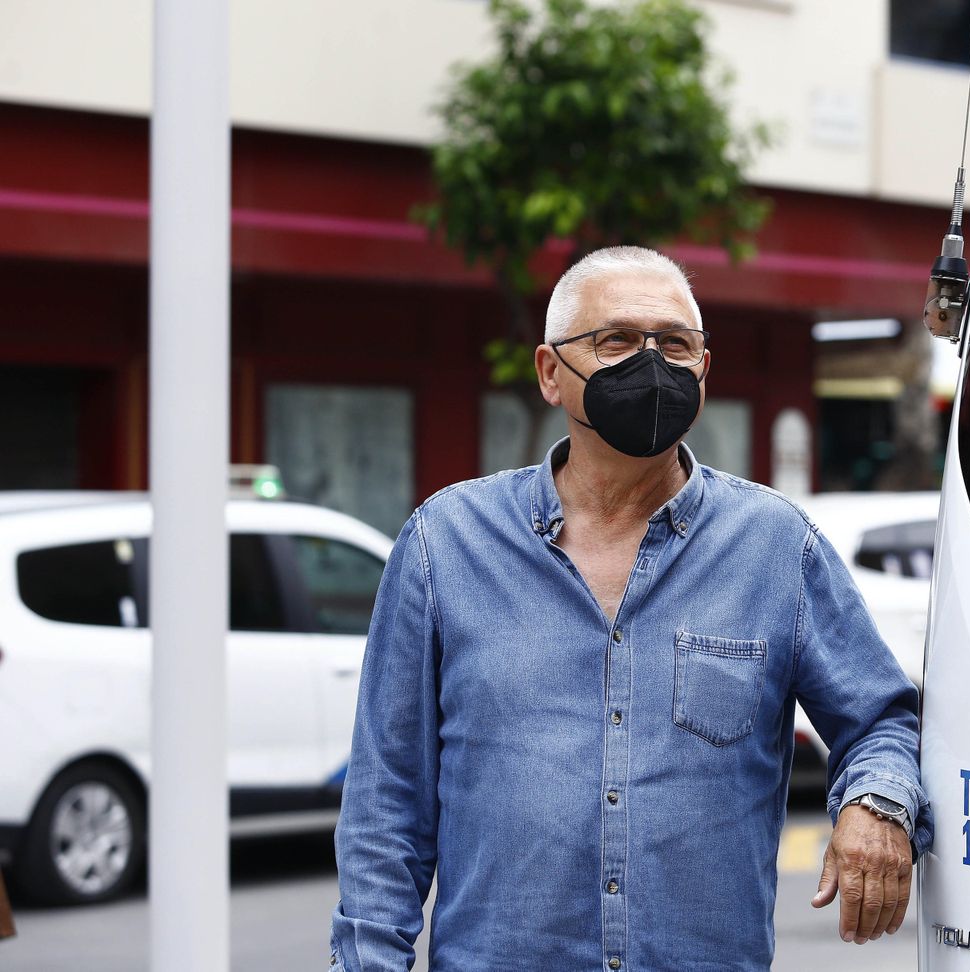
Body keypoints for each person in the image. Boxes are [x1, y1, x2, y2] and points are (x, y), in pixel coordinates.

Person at [329, 247, 929, 971]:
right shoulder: (445, 546)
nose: (652, 364)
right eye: (616, 340)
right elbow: (385, 812)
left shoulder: (776, 548)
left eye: (675, 344)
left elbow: (880, 720)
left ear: (703, 371)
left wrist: (876, 803)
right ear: (551, 373)